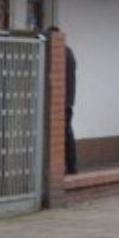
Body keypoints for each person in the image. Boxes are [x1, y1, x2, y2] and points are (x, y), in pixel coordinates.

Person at [49, 26, 78, 174]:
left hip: (61, 101)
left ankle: (71, 167)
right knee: (67, 133)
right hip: (68, 100)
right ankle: (71, 166)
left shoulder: (60, 53)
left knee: (65, 134)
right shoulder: (69, 51)